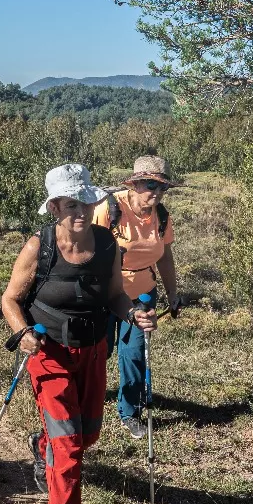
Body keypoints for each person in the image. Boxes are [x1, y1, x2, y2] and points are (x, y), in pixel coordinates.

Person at [0, 163, 159, 504]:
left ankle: (41, 447)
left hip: (92, 350)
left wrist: (133, 315)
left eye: (86, 203)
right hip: (49, 352)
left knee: (87, 434)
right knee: (69, 445)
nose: (81, 212)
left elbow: (113, 297)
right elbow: (11, 300)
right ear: (54, 207)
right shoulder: (40, 247)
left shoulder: (106, 244)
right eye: (71, 205)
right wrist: (24, 335)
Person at [92, 155, 182, 439]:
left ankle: (129, 411)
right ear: (134, 184)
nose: (155, 193)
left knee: (134, 355)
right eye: (149, 185)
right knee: (99, 351)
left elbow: (165, 257)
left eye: (161, 188)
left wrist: (173, 294)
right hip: (105, 293)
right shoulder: (109, 209)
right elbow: (87, 250)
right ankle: (88, 403)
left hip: (142, 292)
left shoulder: (162, 216)